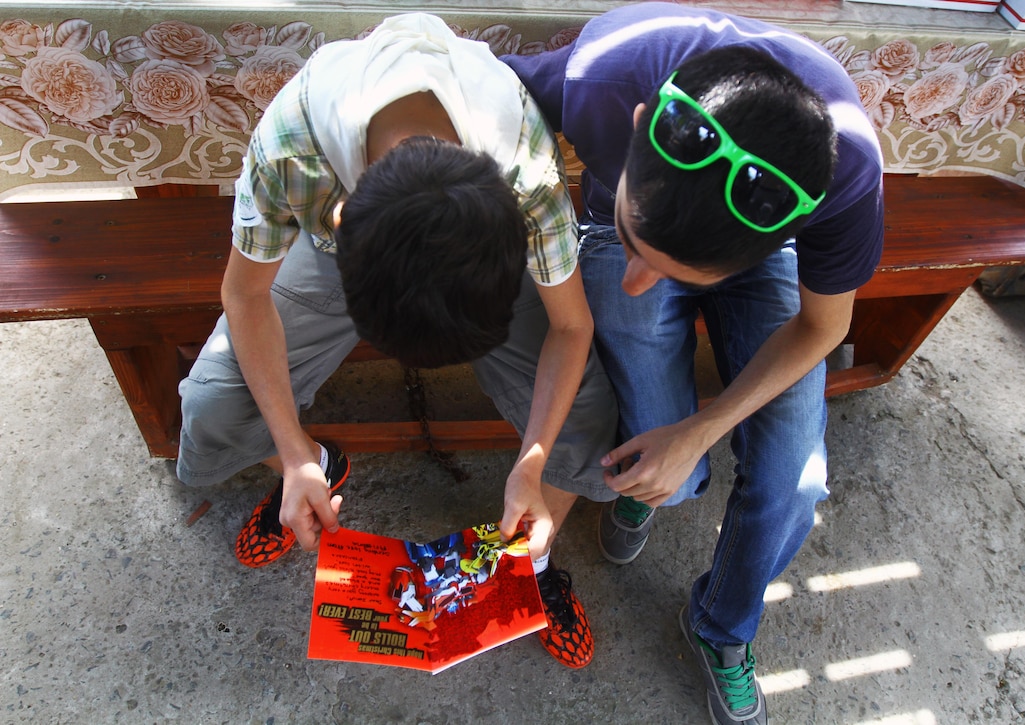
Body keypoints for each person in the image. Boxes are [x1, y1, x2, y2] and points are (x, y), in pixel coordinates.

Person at [175, 12, 617, 670]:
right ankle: (316, 469)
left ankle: (532, 562)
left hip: (465, 255)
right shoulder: (294, 149)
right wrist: (294, 451)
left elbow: (570, 323)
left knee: (592, 421)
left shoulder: (525, 170)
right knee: (214, 404)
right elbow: (244, 295)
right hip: (352, 252)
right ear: (340, 216)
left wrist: (533, 457)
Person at [504, 2, 884, 720]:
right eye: (638, 251)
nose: (637, 284)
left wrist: (702, 428)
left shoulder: (845, 177)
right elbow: (466, 78)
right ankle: (633, 239)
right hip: (630, 212)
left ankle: (722, 627)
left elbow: (822, 325)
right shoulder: (602, 78)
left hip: (750, 242)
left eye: (677, 273)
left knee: (794, 481)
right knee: (661, 478)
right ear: (641, 120)